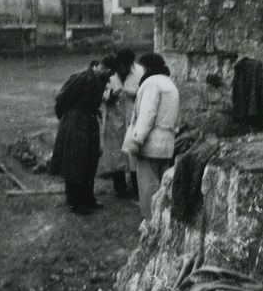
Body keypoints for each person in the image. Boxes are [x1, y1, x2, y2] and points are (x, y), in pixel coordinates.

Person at [50, 55, 117, 215]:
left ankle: (88, 198)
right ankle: (75, 201)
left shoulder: (100, 78)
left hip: (90, 121)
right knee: (75, 160)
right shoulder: (81, 77)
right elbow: (61, 98)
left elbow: (95, 99)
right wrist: (69, 119)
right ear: (106, 68)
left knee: (90, 160)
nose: (111, 77)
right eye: (111, 73)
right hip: (76, 121)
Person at [122, 53, 179, 220]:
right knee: (163, 187)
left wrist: (136, 140)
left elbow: (147, 114)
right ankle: (162, 222)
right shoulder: (170, 84)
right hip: (166, 144)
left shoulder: (151, 83)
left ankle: (150, 222)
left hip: (149, 144)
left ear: (148, 68)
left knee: (148, 187)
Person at [98, 48, 144, 198]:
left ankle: (137, 187)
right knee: (115, 153)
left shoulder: (140, 72)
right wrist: (111, 94)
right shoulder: (109, 73)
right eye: (121, 65)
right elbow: (100, 94)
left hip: (133, 118)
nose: (123, 68)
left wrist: (135, 93)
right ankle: (120, 188)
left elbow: (146, 92)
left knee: (134, 154)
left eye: (126, 65)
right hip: (114, 118)